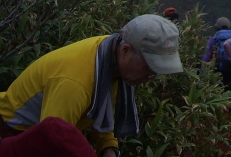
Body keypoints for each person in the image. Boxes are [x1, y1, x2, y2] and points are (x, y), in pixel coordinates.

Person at [0, 14, 183, 157]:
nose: (150, 78)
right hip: (13, 134)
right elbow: (52, 142)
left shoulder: (108, 56)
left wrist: (108, 148)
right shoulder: (74, 83)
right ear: (126, 51)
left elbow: (104, 109)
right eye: (148, 69)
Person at [201, 17, 231, 86]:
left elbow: (206, 58)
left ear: (217, 27)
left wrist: (201, 74)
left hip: (217, 73)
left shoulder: (213, 40)